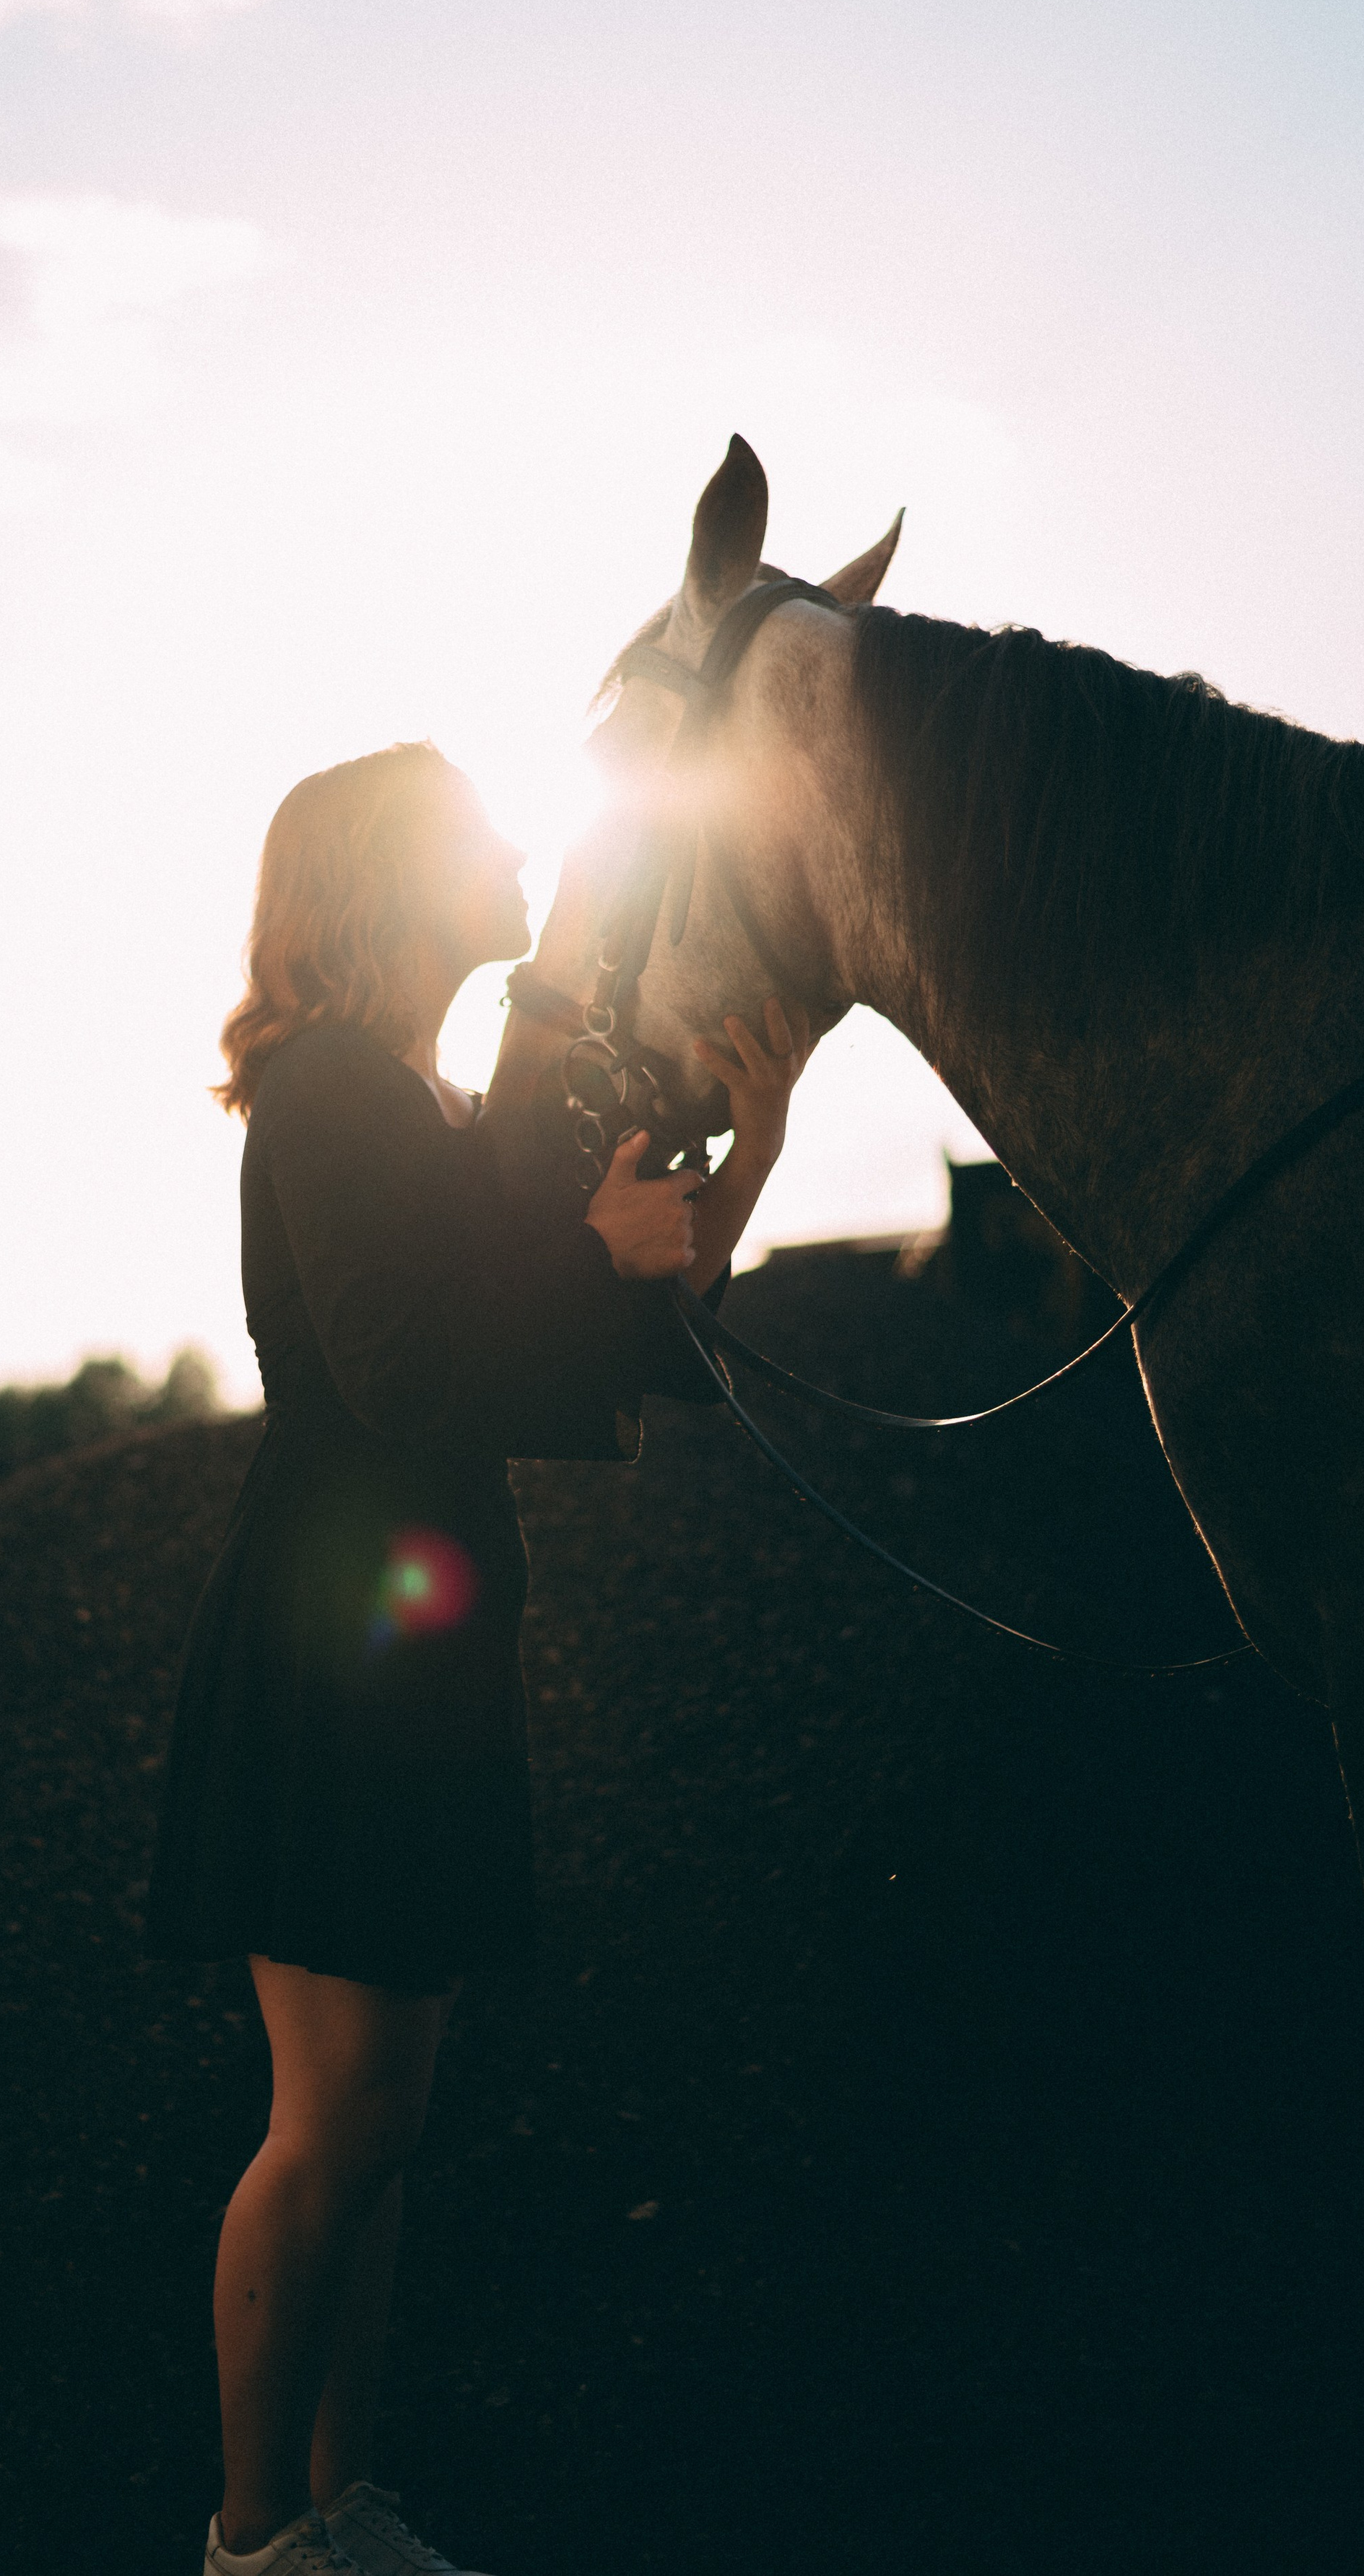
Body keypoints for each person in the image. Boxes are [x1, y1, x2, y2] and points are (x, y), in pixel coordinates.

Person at [149, 741, 806, 2576]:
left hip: (415, 1644)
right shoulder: (328, 1089)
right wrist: (591, 1252)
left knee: (383, 2122)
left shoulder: (425, 1099)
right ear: (386, 878)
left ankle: (341, 2508)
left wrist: (741, 1162)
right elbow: (404, 1368)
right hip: (330, 1637)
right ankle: (257, 2542)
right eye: (473, 833)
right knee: (330, 2118)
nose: (514, 848)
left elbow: (590, 1344)